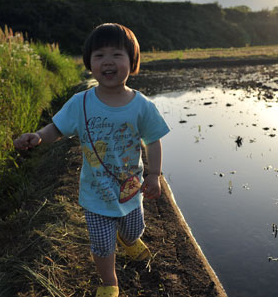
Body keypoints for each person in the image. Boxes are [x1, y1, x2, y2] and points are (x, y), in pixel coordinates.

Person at [13, 23, 170, 297]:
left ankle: (129, 240)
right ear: (90, 64)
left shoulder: (142, 105)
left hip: (130, 189)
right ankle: (109, 282)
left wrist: (154, 174)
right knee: (101, 244)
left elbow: (153, 139)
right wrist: (39, 136)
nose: (107, 61)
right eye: (99, 55)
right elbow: (58, 128)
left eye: (117, 54)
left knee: (135, 229)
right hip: (95, 194)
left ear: (132, 62)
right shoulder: (81, 102)